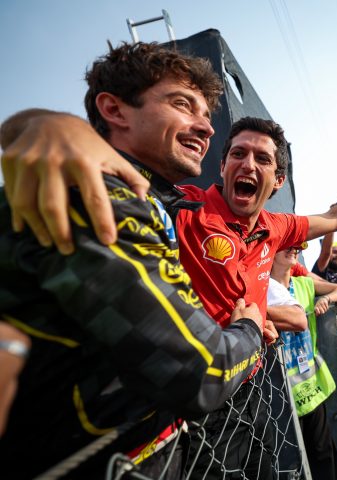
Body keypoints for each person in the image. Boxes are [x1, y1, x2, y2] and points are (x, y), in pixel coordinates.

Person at [0, 42, 266, 479]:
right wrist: (251, 329)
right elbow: (202, 370)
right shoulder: (98, 195)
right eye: (182, 104)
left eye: (206, 114)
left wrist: (34, 122)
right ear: (115, 110)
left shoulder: (159, 200)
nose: (205, 127)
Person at [267, 244, 337, 479]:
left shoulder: (305, 285)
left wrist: (327, 299)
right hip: (280, 395)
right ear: (269, 252)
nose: (294, 249)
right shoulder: (262, 289)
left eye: (298, 245)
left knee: (324, 455)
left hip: (311, 388)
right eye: (286, 245)